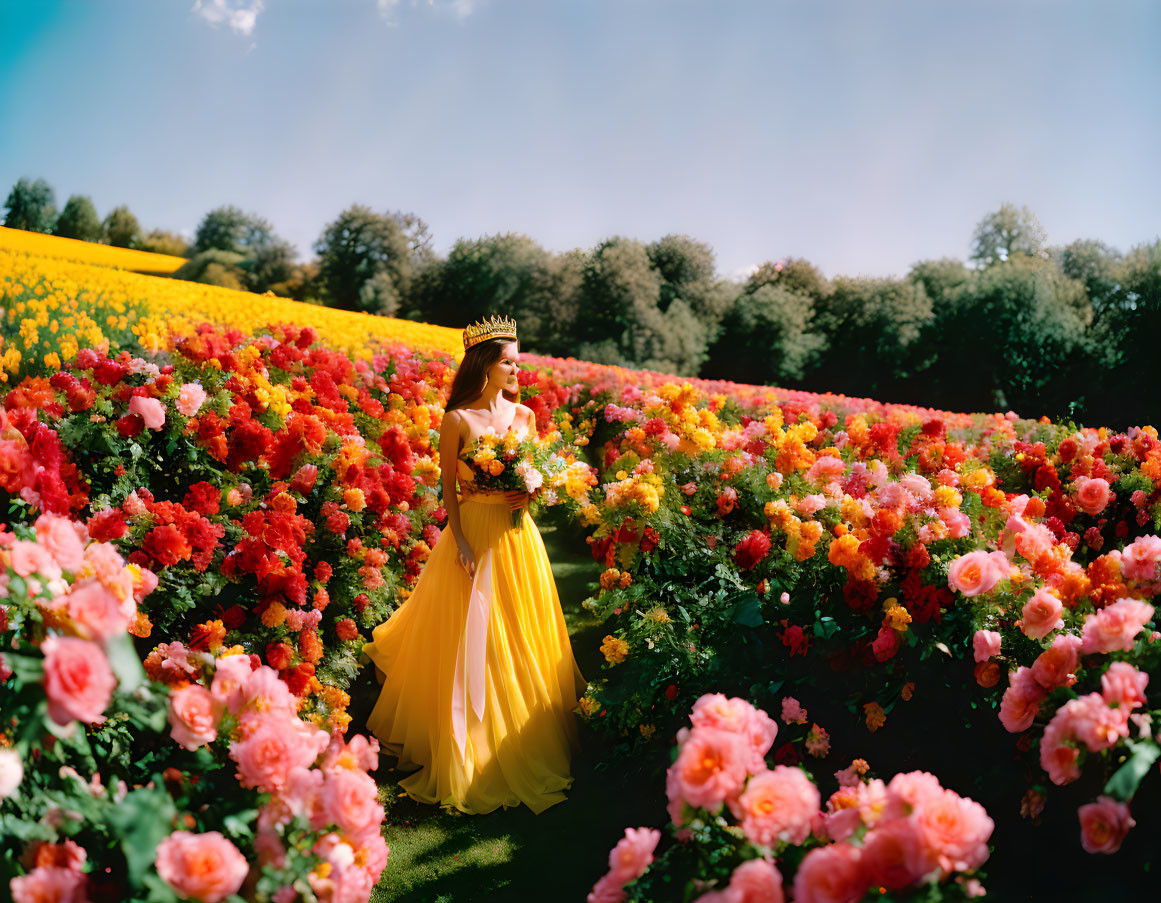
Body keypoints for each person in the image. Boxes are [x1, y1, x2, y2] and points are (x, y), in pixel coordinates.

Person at [362, 315, 587, 814]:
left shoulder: (525, 417)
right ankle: (464, 742)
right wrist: (460, 542)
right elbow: (447, 494)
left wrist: (526, 493)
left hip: (517, 538)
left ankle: (517, 735)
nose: (516, 370)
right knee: (467, 640)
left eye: (517, 362)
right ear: (485, 365)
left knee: (517, 631)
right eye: (509, 362)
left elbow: (537, 483)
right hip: (472, 538)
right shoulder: (458, 420)